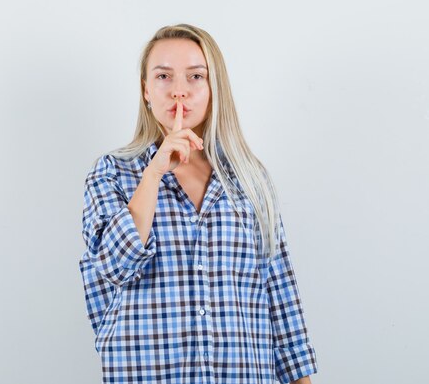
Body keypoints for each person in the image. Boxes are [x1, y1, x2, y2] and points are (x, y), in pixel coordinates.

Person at [78, 24, 318, 384]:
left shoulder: (250, 180)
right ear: (145, 89)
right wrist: (155, 172)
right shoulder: (113, 173)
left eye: (195, 76)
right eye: (163, 76)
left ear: (213, 88)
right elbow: (113, 266)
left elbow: (280, 297)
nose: (179, 91)